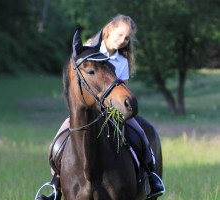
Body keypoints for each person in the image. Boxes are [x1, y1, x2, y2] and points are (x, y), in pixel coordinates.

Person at [39, 14, 165, 200]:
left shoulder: (122, 61)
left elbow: (123, 89)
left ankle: (152, 176)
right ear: (109, 29)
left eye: (127, 38)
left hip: (112, 111)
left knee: (142, 135)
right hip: (87, 108)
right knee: (57, 143)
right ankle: (56, 185)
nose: (122, 40)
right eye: (120, 34)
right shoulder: (91, 49)